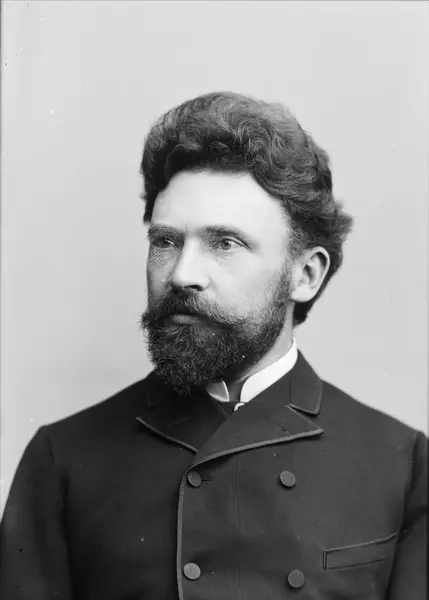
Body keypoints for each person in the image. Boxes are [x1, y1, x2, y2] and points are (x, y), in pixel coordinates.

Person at [0, 91, 427, 600]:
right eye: (165, 241)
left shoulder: (404, 464)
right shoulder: (62, 458)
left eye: (225, 243)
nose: (182, 274)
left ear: (306, 274)